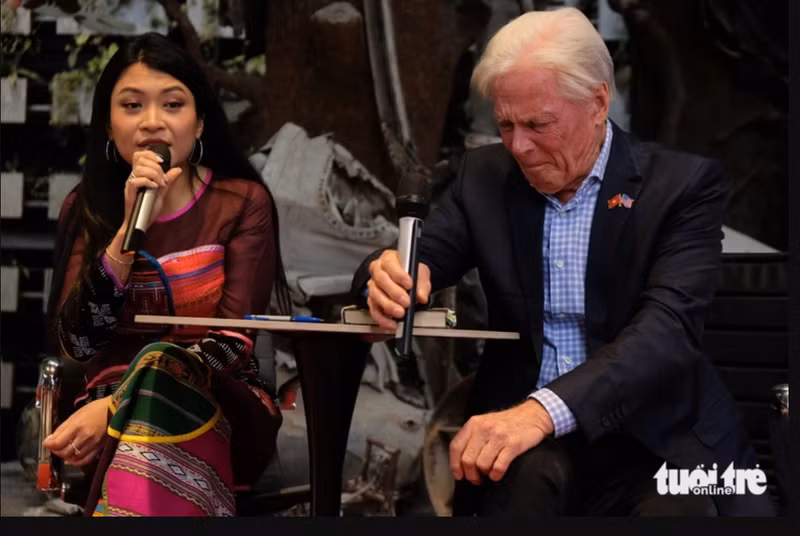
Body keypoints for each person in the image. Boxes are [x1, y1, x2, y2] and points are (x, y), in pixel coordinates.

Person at [353, 8, 774, 516]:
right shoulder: (486, 178)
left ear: (598, 101)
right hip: (528, 442)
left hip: (658, 436)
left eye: (538, 123)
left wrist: (543, 411)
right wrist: (387, 277)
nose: (519, 146)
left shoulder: (680, 187)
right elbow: (417, 259)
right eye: (506, 123)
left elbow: (667, 331)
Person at [43, 32, 290, 517]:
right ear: (109, 127)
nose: (152, 122)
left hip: (220, 404)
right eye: (132, 106)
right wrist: (124, 240)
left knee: (151, 398)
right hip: (101, 417)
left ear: (199, 123)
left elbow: (231, 340)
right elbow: (77, 345)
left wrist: (119, 407)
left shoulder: (242, 203)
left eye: (172, 104)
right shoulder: (87, 208)